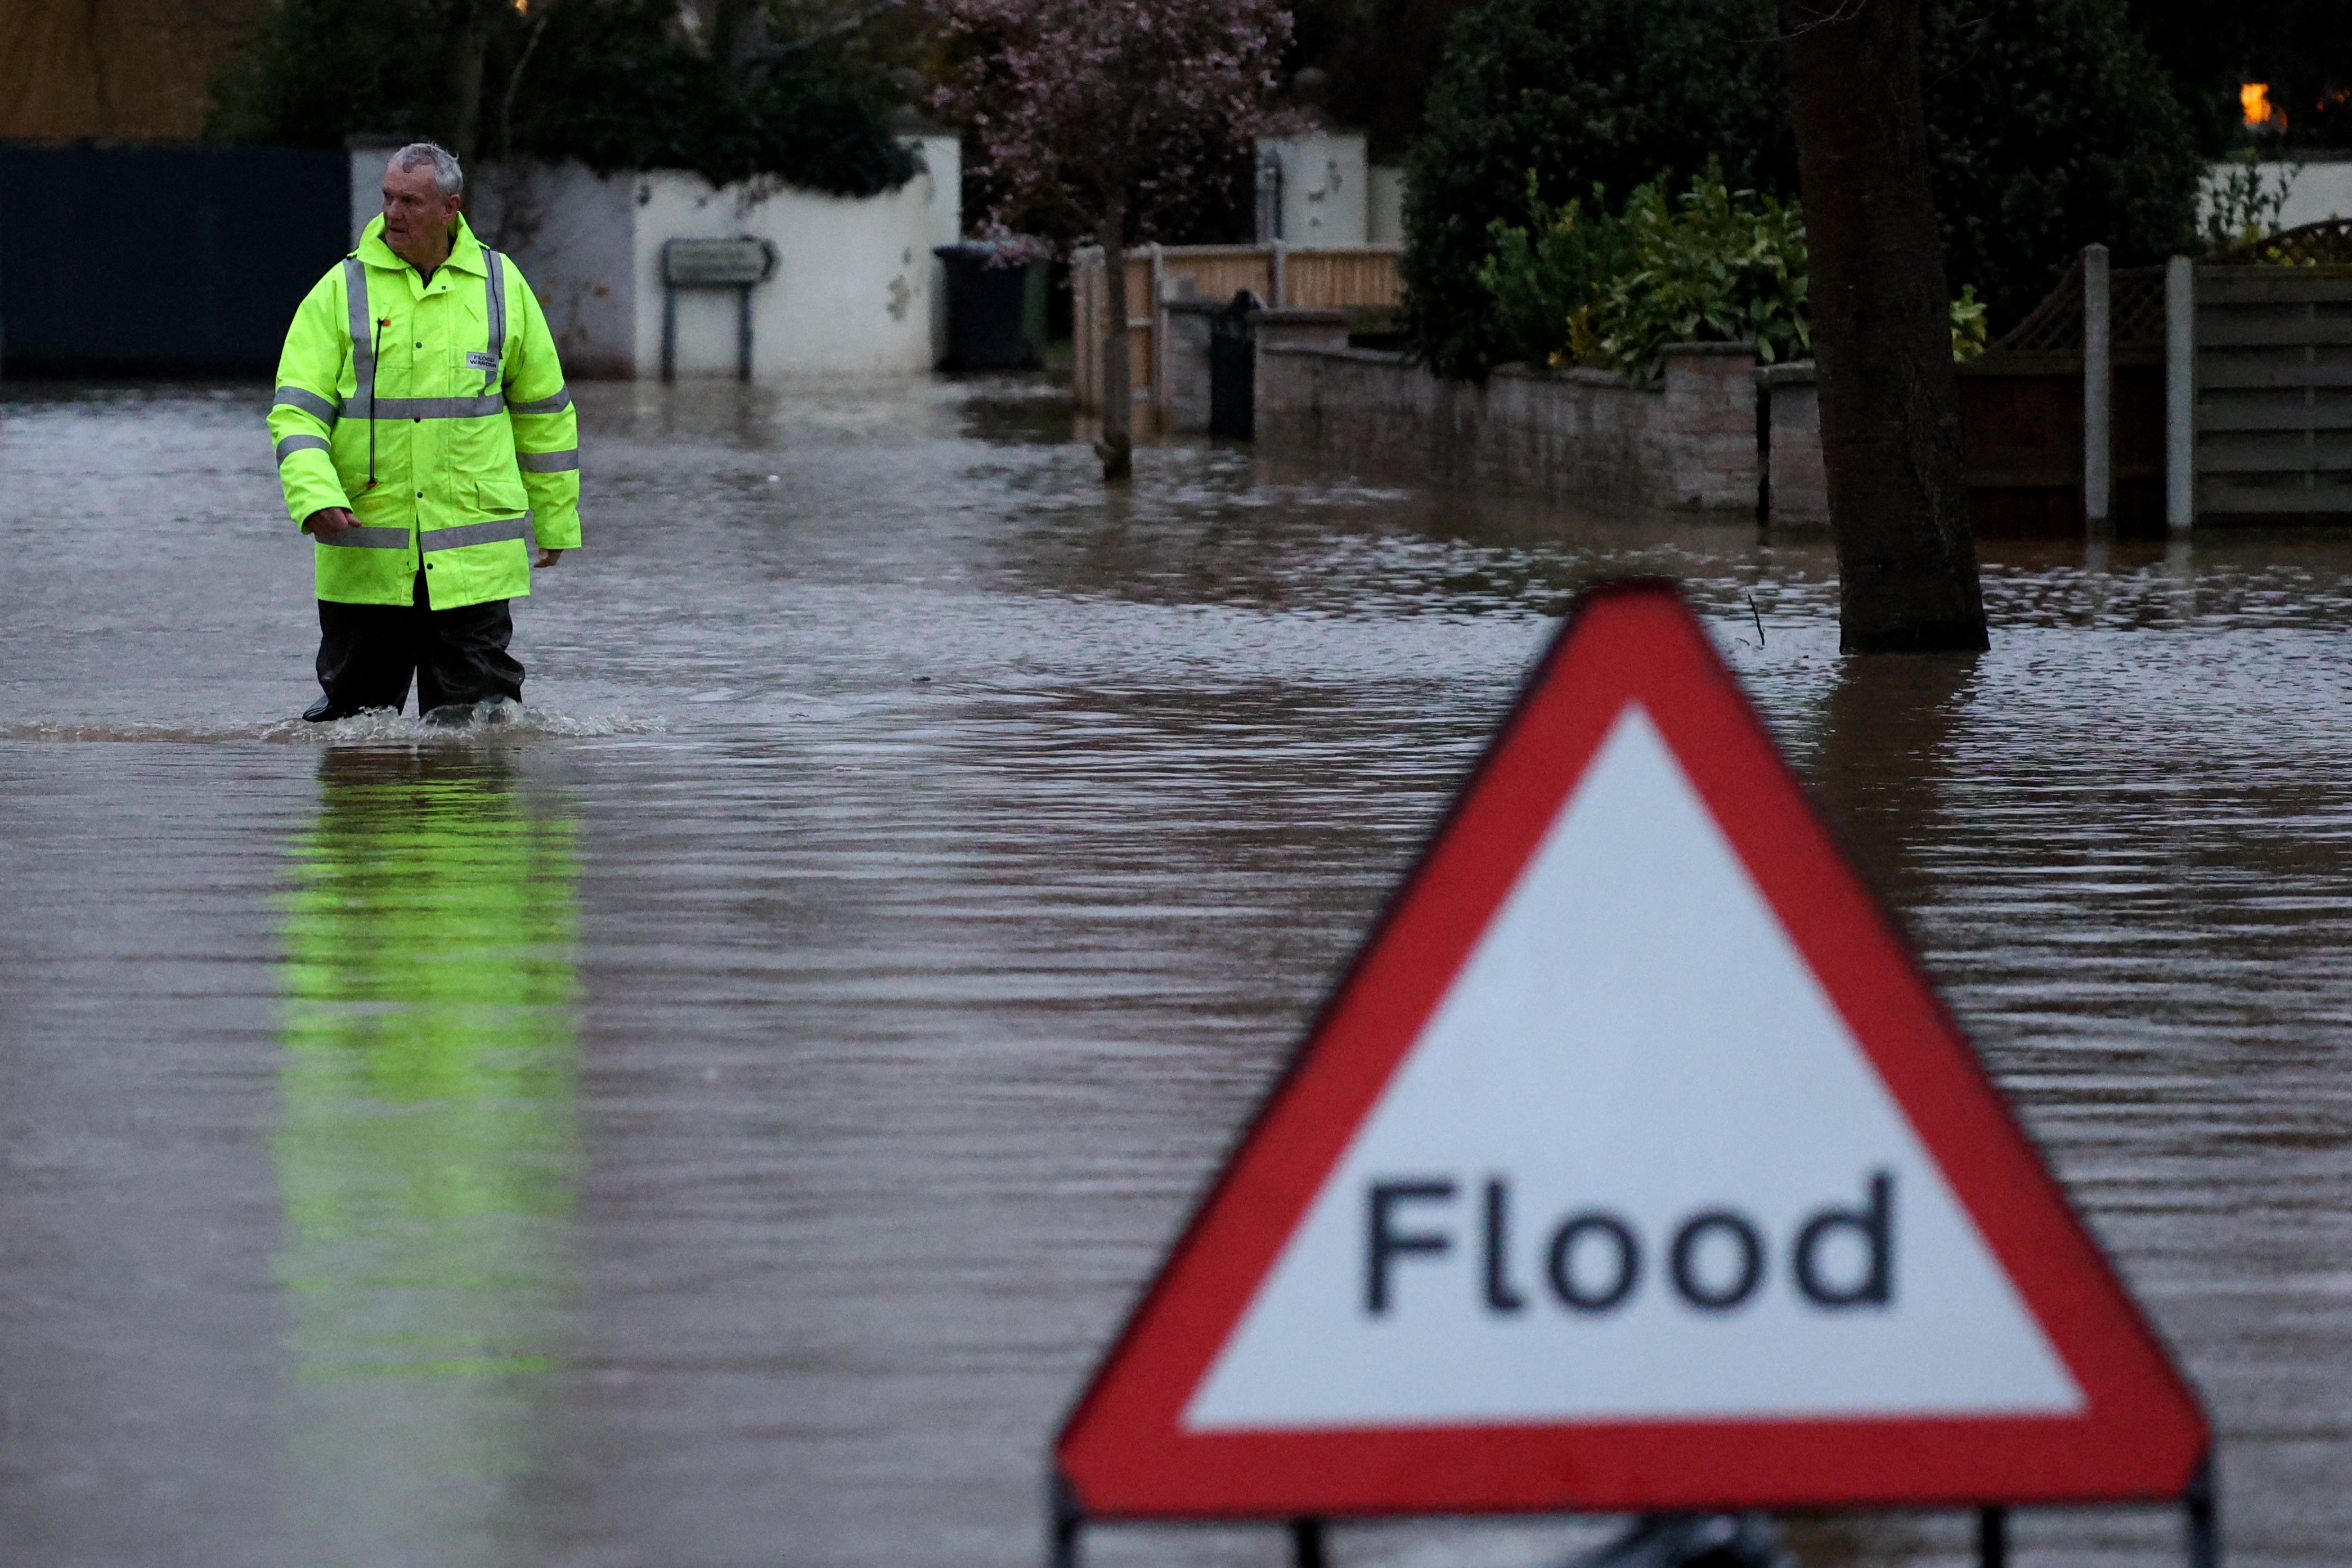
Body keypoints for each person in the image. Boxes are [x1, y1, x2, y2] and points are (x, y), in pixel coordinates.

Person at [267, 141, 581, 724]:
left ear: (449, 209)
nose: (392, 214)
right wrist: (314, 498)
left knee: (480, 737)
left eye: (410, 201)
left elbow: (545, 412)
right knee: (353, 737)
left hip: (473, 565)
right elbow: (296, 414)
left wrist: (557, 517)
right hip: (367, 557)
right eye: (387, 198)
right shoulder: (341, 290)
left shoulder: (500, 286)